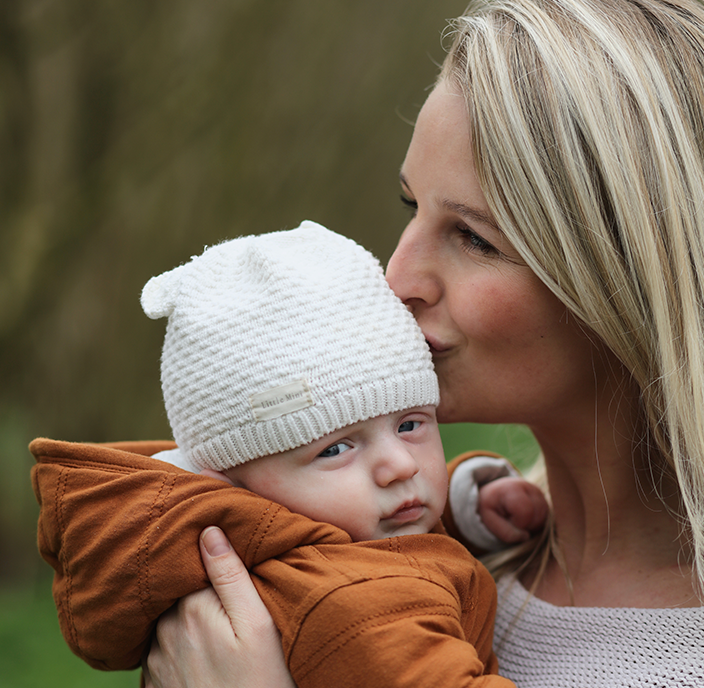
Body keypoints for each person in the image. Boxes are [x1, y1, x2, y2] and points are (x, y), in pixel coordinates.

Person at [142, 0, 704, 686]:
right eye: (413, 208)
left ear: (632, 278)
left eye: (473, 238)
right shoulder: (400, 544)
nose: (396, 277)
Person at [31, 222, 546, 687]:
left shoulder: (314, 553)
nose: (401, 466)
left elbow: (359, 536)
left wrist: (462, 503)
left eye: (410, 424)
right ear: (232, 483)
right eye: (336, 449)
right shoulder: (358, 605)